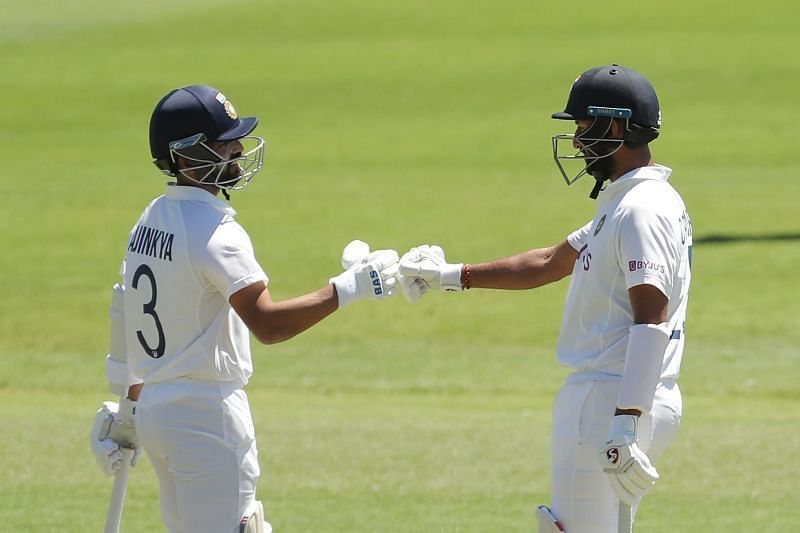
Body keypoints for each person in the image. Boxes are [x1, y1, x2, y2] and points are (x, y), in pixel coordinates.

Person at [90, 84, 399, 533]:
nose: (237, 149)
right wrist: (350, 287)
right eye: (223, 143)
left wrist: (128, 410)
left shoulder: (150, 219)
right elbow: (269, 325)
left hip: (158, 410)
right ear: (186, 156)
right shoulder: (217, 231)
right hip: (206, 417)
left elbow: (127, 312)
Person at [397, 65, 692, 532]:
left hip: (611, 398)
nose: (576, 142)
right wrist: (449, 276)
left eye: (581, 127)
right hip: (618, 394)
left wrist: (624, 423)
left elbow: (651, 319)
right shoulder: (627, 202)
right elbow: (549, 262)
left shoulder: (641, 210)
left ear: (614, 127)